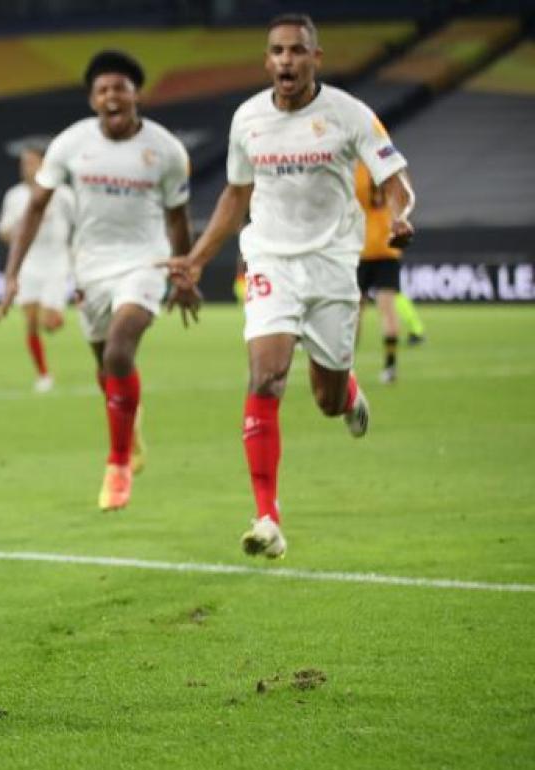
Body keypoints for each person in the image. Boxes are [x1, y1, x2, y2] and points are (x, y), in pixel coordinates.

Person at [166, 13, 415, 559]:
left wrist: (399, 216)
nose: (286, 60)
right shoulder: (248, 118)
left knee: (325, 398)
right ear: (267, 60)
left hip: (331, 263)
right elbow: (236, 195)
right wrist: (196, 258)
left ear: (315, 59)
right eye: (277, 51)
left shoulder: (349, 114)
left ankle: (348, 393)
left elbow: (394, 179)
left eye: (297, 51)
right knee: (266, 375)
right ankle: (267, 518)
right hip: (269, 260)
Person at [0, 49, 194, 511]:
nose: (111, 96)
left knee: (123, 349)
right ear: (92, 98)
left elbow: (178, 217)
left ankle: (118, 464)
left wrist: (183, 270)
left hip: (146, 262)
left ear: (135, 94)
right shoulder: (71, 144)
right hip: (91, 268)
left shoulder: (165, 150)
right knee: (107, 367)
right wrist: (12, 274)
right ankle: (132, 430)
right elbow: (36, 208)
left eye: (120, 88)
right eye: (103, 89)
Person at [0, 140, 75, 393]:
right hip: (28, 264)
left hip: (56, 262)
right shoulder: (15, 196)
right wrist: (23, 225)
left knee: (48, 322)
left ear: (44, 163)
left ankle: (55, 317)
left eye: (30, 162)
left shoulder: (62, 194)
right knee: (30, 321)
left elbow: (81, 224)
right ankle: (43, 374)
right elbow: (4, 233)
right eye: (23, 163)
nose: (26, 168)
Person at [355, 161, 407, 383]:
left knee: (354, 311)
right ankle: (390, 366)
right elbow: (405, 197)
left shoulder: (355, 169)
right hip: (388, 247)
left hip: (361, 247)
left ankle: (345, 368)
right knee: (387, 308)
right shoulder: (389, 167)